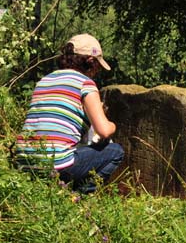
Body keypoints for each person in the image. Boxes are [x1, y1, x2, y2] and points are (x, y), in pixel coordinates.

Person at [15, 33, 124, 193]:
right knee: (115, 151)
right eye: (97, 67)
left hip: (24, 160)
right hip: (55, 163)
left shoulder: (44, 80)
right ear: (90, 61)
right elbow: (104, 130)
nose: (97, 71)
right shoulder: (85, 83)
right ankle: (78, 198)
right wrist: (113, 124)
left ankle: (59, 192)